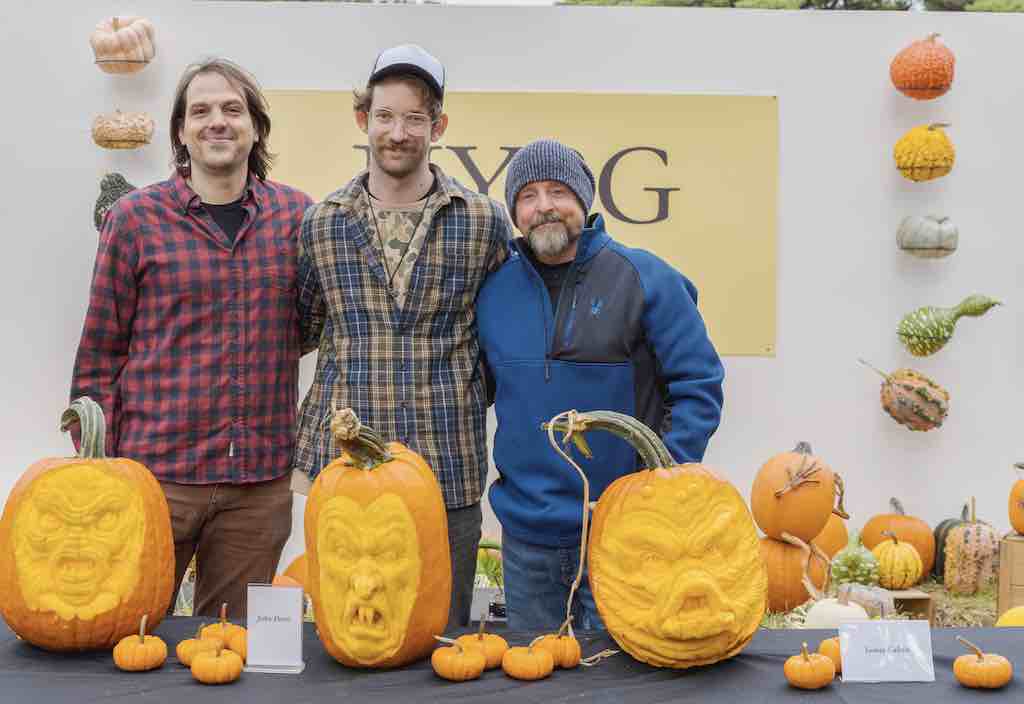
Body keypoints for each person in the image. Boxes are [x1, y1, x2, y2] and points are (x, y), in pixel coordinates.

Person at [70, 58, 313, 618]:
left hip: (258, 484)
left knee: (228, 647)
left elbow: (306, 325)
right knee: (125, 631)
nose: (217, 122)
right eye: (200, 110)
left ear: (256, 126)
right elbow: (100, 354)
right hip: (156, 478)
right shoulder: (134, 219)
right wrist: (95, 470)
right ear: (180, 130)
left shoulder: (297, 215)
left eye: (233, 109)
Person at [291, 45, 511, 630]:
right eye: (385, 115)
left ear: (437, 127)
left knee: (442, 627)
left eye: (415, 118)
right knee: (350, 619)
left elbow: (500, 334)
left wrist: (462, 389)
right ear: (364, 120)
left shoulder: (483, 220)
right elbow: (307, 327)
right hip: (345, 465)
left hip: (447, 458)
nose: (399, 132)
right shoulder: (323, 223)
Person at [476, 138, 725, 630]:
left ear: (584, 201)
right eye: (528, 195)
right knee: (536, 680)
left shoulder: (644, 277)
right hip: (527, 538)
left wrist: (661, 485)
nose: (544, 206)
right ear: (514, 211)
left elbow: (699, 385)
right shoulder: (494, 291)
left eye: (557, 191)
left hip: (629, 534)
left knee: (620, 681)